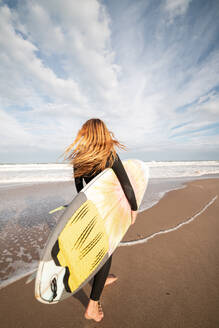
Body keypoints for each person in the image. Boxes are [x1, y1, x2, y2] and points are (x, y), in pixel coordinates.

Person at [64, 118, 138, 322]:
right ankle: (92, 306)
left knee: (98, 248)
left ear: (86, 134)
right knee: (106, 251)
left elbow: (81, 191)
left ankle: (101, 279)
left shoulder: (79, 158)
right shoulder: (110, 155)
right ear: (103, 133)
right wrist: (134, 209)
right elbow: (127, 186)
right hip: (109, 209)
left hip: (90, 209)